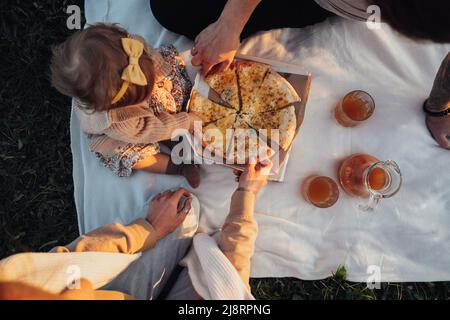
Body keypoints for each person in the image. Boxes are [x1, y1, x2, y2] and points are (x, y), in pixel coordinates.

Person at [0, 161, 272, 300]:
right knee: (217, 261)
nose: (79, 286)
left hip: (123, 291)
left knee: (186, 209)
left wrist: (147, 229)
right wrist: (245, 195)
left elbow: (72, 264)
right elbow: (230, 290)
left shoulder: (11, 277)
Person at [51, 23, 202, 187]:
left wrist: (161, 74)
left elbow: (152, 60)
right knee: (130, 155)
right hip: (129, 132)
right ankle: (178, 167)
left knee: (170, 84)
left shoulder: (128, 47)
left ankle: (171, 131)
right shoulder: (117, 121)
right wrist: (186, 121)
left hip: (139, 109)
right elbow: (148, 130)